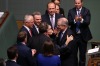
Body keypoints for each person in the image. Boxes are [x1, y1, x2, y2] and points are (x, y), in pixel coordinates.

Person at [67, 0, 92, 66]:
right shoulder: (71, 11)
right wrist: (75, 20)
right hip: (74, 35)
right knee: (74, 54)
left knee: (82, 55)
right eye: (76, 3)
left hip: (83, 36)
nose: (77, 4)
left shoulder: (86, 11)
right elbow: (69, 22)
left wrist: (81, 20)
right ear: (74, 3)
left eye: (78, 3)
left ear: (82, 3)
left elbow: (87, 22)